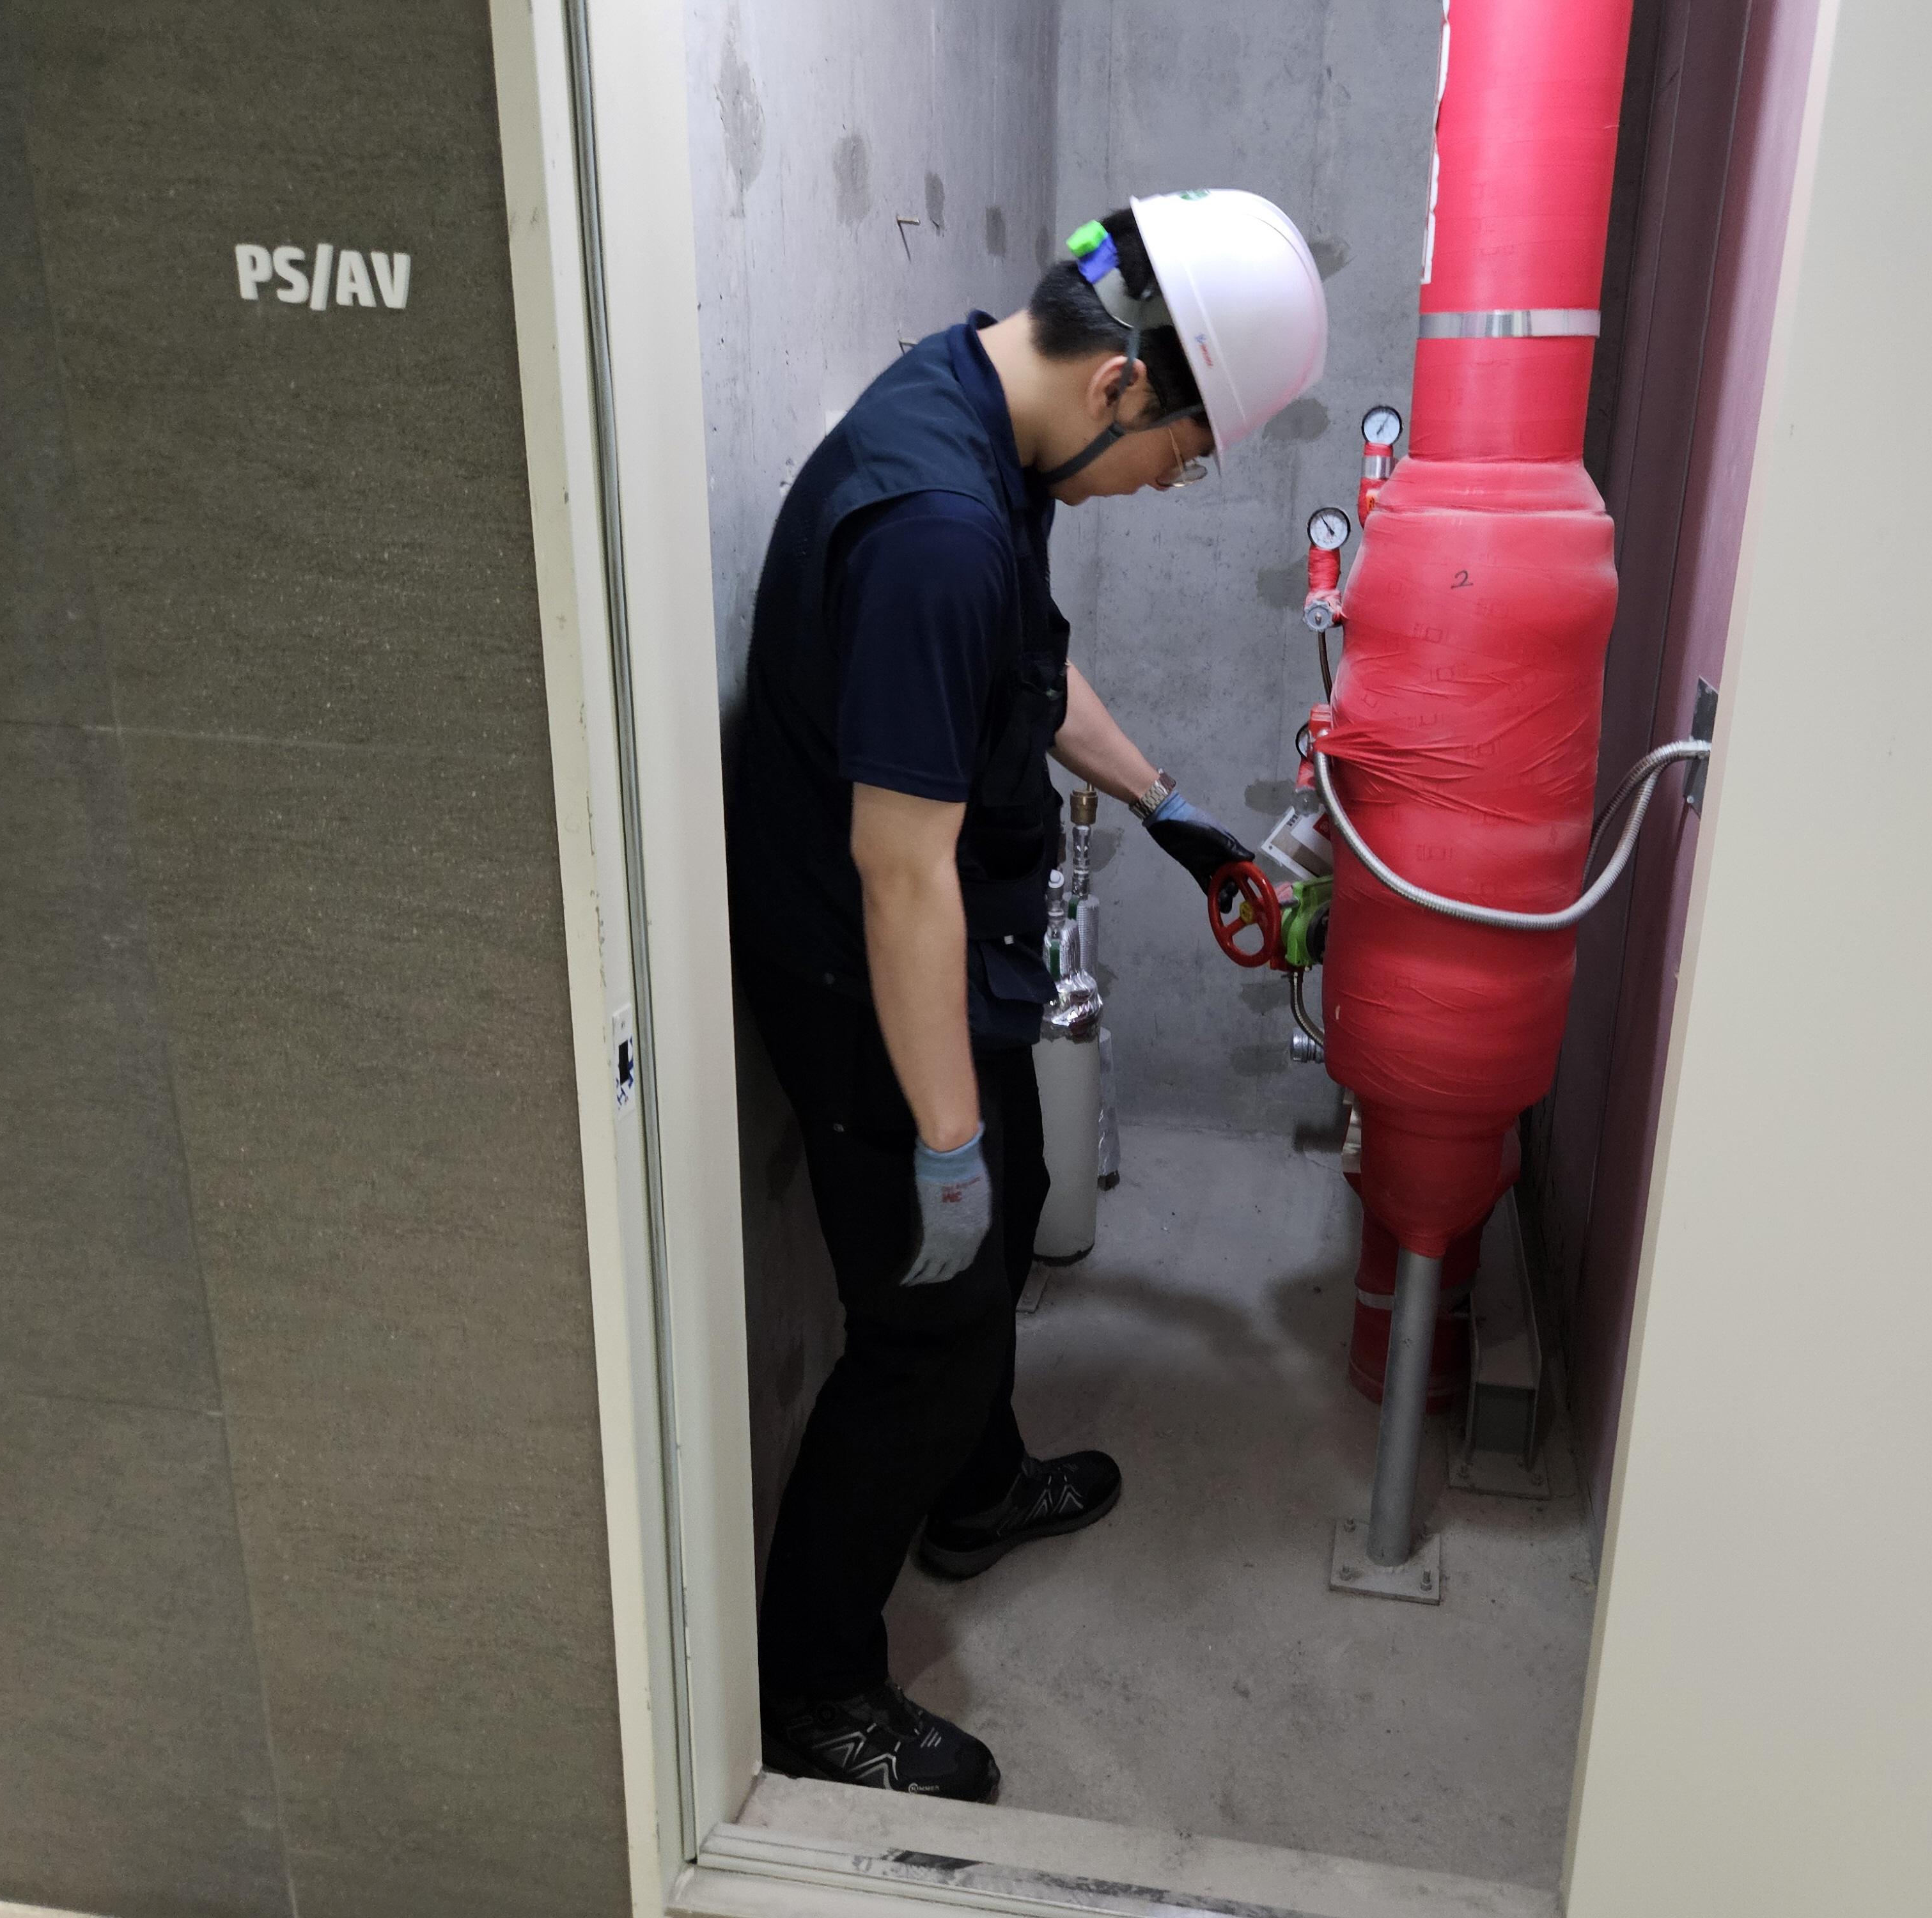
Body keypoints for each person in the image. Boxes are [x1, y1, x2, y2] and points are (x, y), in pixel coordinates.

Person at [727, 191, 1328, 1800]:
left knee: (1003, 1223)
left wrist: (1167, 807)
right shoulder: (931, 523)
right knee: (922, 1329)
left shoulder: (992, 421)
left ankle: (974, 1489)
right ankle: (813, 1688)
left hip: (945, 945)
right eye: (1182, 457)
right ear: (1121, 382)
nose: (1164, 484)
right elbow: (897, 876)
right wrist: (939, 1140)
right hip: (867, 969)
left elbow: (1027, 669)